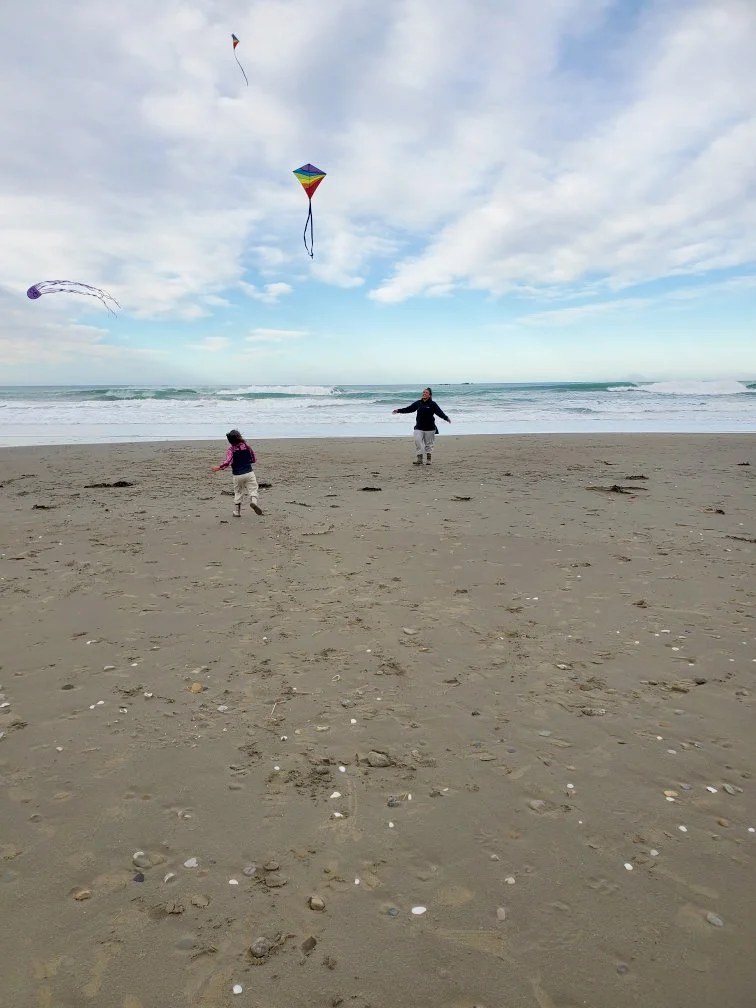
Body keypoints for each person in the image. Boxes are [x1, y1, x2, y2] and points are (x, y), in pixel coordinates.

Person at [392, 387, 451, 465]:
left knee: (428, 444)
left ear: (429, 395)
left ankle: (428, 459)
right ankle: (419, 459)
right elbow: (409, 409)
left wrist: (446, 418)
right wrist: (399, 410)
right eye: (423, 392)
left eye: (426, 392)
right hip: (419, 427)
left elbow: (439, 412)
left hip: (430, 428)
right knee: (417, 441)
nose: (424, 393)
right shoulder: (418, 403)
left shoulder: (432, 404)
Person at [211, 429, 263, 517]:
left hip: (237, 474)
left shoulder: (231, 450)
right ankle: (254, 502)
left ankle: (237, 512)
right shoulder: (247, 447)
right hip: (249, 472)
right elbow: (253, 459)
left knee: (238, 492)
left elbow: (228, 462)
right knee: (253, 489)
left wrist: (219, 468)